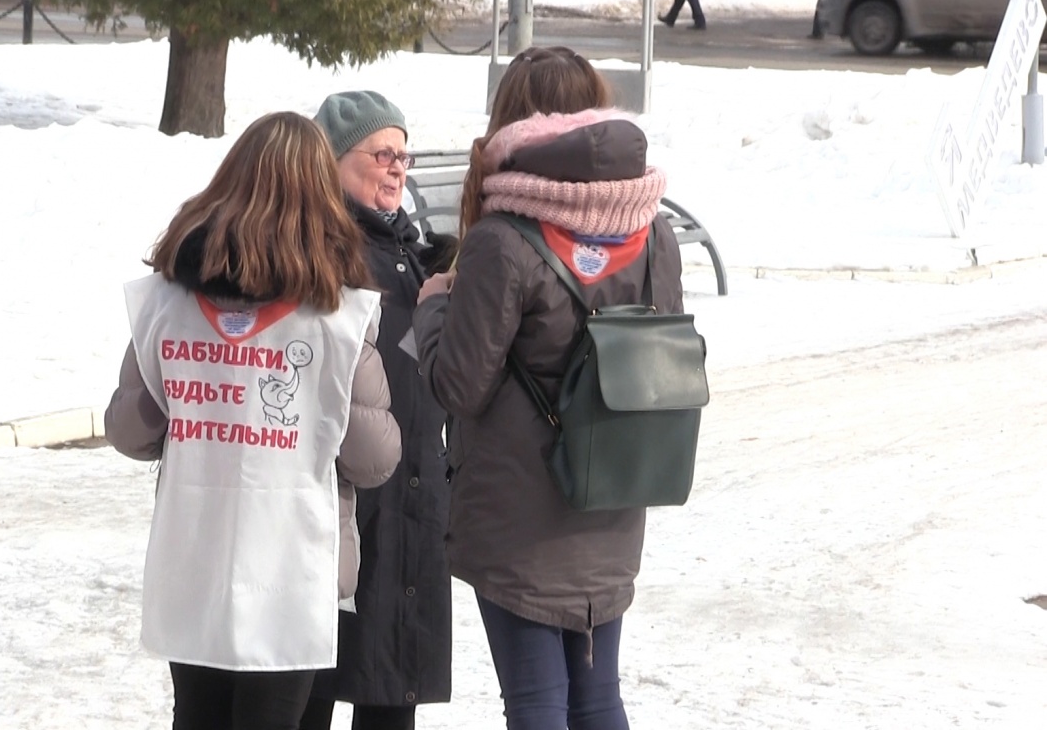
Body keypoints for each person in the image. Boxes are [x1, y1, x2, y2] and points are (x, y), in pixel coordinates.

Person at [412, 46, 685, 730]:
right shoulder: (654, 233)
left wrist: (435, 305)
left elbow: (458, 386)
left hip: (519, 515)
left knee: (536, 702)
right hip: (616, 491)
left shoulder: (503, 241)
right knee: (597, 698)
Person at [103, 111, 402, 730]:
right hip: (296, 567)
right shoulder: (339, 317)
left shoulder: (166, 302)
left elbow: (130, 432)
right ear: (322, 198)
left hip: (194, 559)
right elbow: (374, 461)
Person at [298, 90, 454, 730]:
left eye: (403, 155)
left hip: (412, 495)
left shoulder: (413, 253)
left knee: (392, 690)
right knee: (311, 684)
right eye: (381, 153)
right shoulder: (315, 251)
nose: (398, 167)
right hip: (343, 501)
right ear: (333, 160)